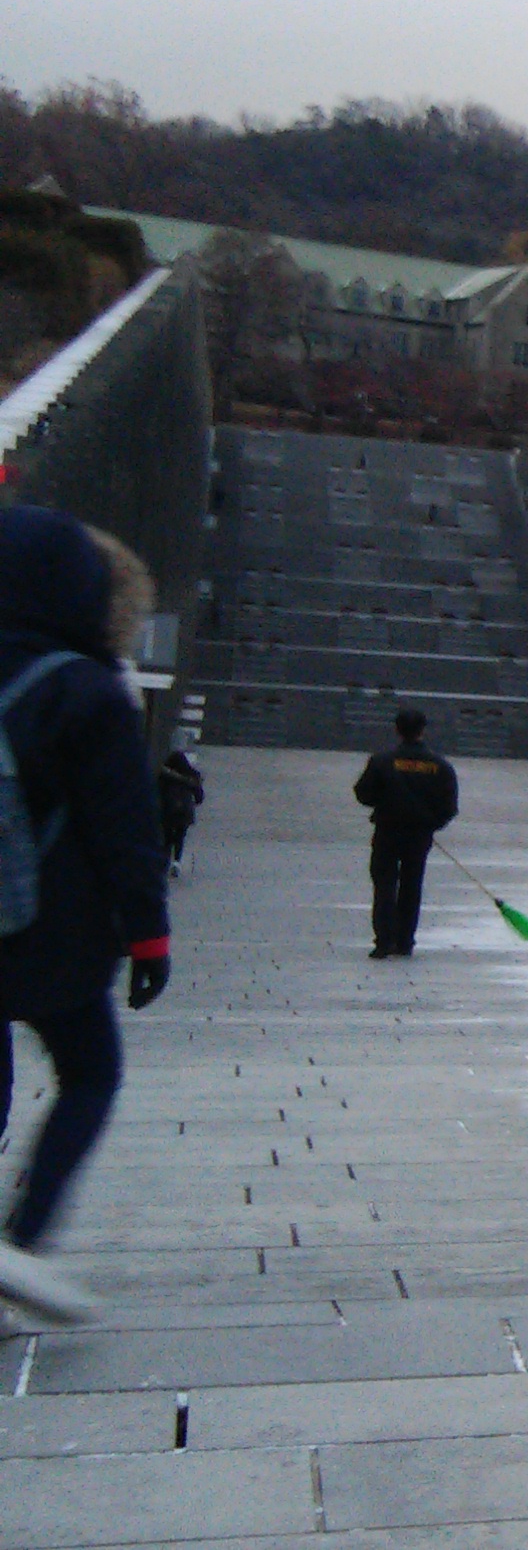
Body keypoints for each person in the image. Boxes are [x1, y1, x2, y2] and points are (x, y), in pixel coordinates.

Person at [0, 506, 174, 1324]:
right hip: (51, 935)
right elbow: (126, 828)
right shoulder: (84, 689)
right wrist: (148, 935)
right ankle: (24, 1238)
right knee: (91, 1072)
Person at [353, 709, 458, 958]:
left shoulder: (381, 761)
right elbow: (449, 806)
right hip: (419, 836)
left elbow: (363, 794)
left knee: (385, 885)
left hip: (387, 831)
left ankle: (383, 941)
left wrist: (386, 804)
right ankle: (405, 941)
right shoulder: (440, 766)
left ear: (397, 730)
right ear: (423, 730)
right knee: (412, 885)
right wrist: (431, 825)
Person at [156, 748, 203, 876]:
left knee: (167, 837)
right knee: (180, 836)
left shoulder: (165, 775)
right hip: (184, 810)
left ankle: (164, 862)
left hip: (168, 809)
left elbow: (156, 792)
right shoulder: (192, 775)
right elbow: (199, 796)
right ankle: (176, 861)